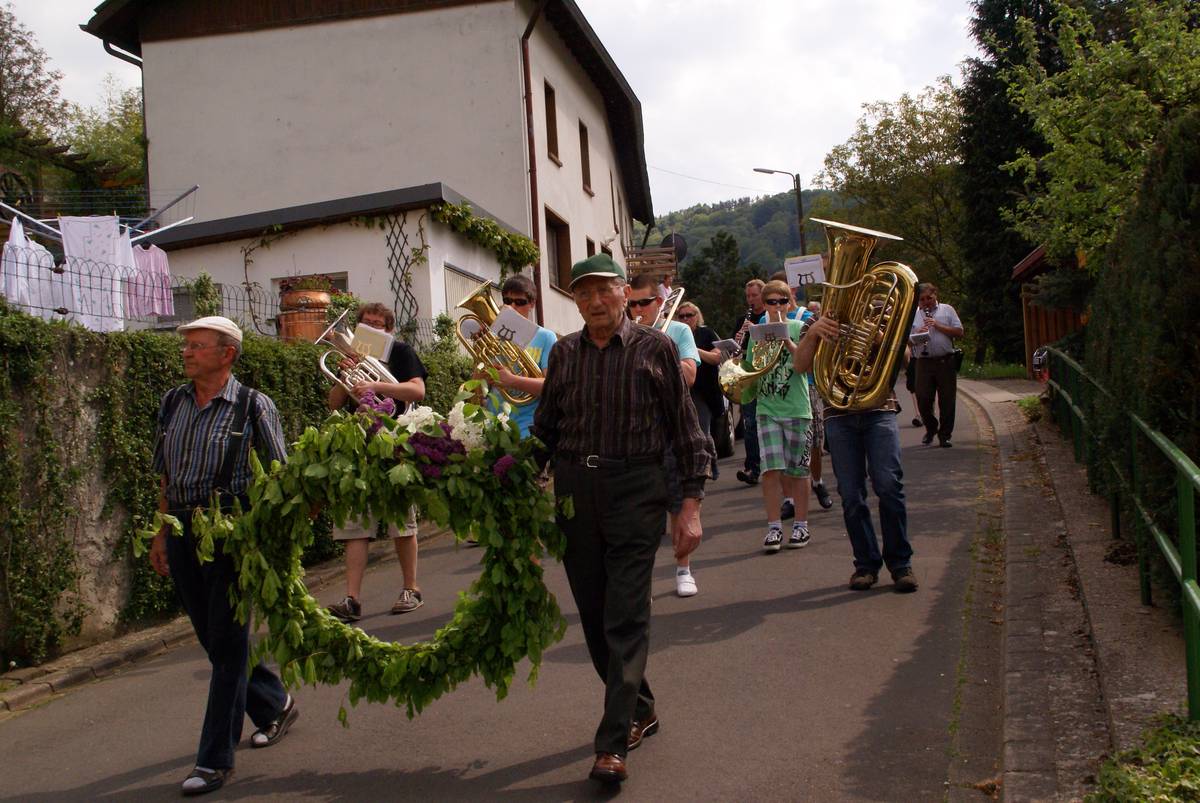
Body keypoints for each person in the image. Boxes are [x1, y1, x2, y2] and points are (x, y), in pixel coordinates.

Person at [533, 253, 711, 785]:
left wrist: (690, 506)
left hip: (636, 490)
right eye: (583, 293)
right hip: (575, 492)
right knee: (593, 616)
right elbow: (546, 429)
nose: (594, 302)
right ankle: (641, 708)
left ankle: (611, 744)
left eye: (603, 290)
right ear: (575, 301)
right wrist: (506, 475)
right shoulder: (564, 353)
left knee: (626, 613)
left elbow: (686, 432)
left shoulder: (656, 348)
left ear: (623, 292)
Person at [148, 316, 298, 796]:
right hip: (182, 528)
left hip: (234, 531)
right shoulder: (173, 402)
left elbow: (280, 473)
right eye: (186, 346)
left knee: (229, 643)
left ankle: (214, 759)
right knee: (213, 640)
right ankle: (274, 704)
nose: (186, 352)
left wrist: (272, 539)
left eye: (197, 345)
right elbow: (164, 474)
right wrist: (161, 532)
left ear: (227, 353)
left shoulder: (254, 405)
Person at [325, 302, 428, 621]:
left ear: (389, 329)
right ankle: (352, 599)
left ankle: (411, 588)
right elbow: (333, 404)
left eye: (378, 325)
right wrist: (344, 376)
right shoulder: (352, 355)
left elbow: (417, 391)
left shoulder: (400, 351)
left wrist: (376, 386)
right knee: (354, 524)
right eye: (365, 323)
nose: (371, 329)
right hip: (359, 442)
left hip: (395, 439)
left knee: (401, 520)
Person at [805, 314, 918, 593]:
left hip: (880, 408)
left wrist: (880, 339)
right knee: (851, 493)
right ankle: (866, 565)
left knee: (888, 485)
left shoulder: (881, 312)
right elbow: (800, 365)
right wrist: (813, 334)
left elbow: (906, 358)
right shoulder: (819, 317)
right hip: (838, 414)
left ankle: (900, 564)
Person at [628, 273, 701, 597]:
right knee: (638, 510)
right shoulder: (624, 333)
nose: (637, 310)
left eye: (643, 303)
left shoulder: (678, 330)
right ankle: (637, 580)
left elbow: (690, 376)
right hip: (636, 431)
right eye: (632, 305)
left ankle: (683, 568)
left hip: (671, 429)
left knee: (677, 503)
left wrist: (658, 345)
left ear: (659, 301)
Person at [744, 280, 814, 553]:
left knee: (799, 470)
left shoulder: (799, 327)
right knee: (770, 470)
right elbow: (752, 369)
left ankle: (801, 525)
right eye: (771, 302)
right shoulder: (757, 332)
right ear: (764, 305)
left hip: (797, 408)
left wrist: (785, 339)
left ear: (788, 303)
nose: (777, 307)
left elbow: (804, 365)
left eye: (781, 302)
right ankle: (774, 527)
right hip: (767, 409)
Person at [481, 273, 557, 438]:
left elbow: (551, 386)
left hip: (528, 428)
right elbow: (479, 382)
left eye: (520, 302)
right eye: (507, 301)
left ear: (532, 304)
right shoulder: (493, 335)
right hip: (494, 426)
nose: (512, 307)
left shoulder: (546, 337)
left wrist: (512, 380)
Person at [910, 283, 964, 447]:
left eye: (929, 298)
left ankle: (945, 435)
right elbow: (906, 340)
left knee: (947, 400)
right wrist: (917, 334)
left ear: (935, 295)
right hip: (923, 362)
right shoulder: (913, 314)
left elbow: (959, 332)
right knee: (923, 398)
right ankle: (931, 428)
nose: (926, 302)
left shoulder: (947, 310)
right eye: (922, 299)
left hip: (945, 361)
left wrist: (936, 325)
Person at [676, 300, 724, 483]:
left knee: (702, 431)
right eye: (682, 316)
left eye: (689, 315)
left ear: (697, 316)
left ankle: (709, 463)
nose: (685, 319)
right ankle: (699, 466)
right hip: (683, 389)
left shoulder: (706, 333)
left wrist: (692, 350)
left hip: (704, 390)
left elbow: (716, 357)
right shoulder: (676, 333)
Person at [735, 278, 766, 486]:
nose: (751, 300)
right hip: (747, 374)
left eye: (754, 295)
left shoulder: (769, 317)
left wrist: (754, 329)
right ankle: (752, 467)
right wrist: (737, 339)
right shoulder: (742, 319)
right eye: (748, 296)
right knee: (749, 423)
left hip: (765, 374)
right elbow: (735, 346)